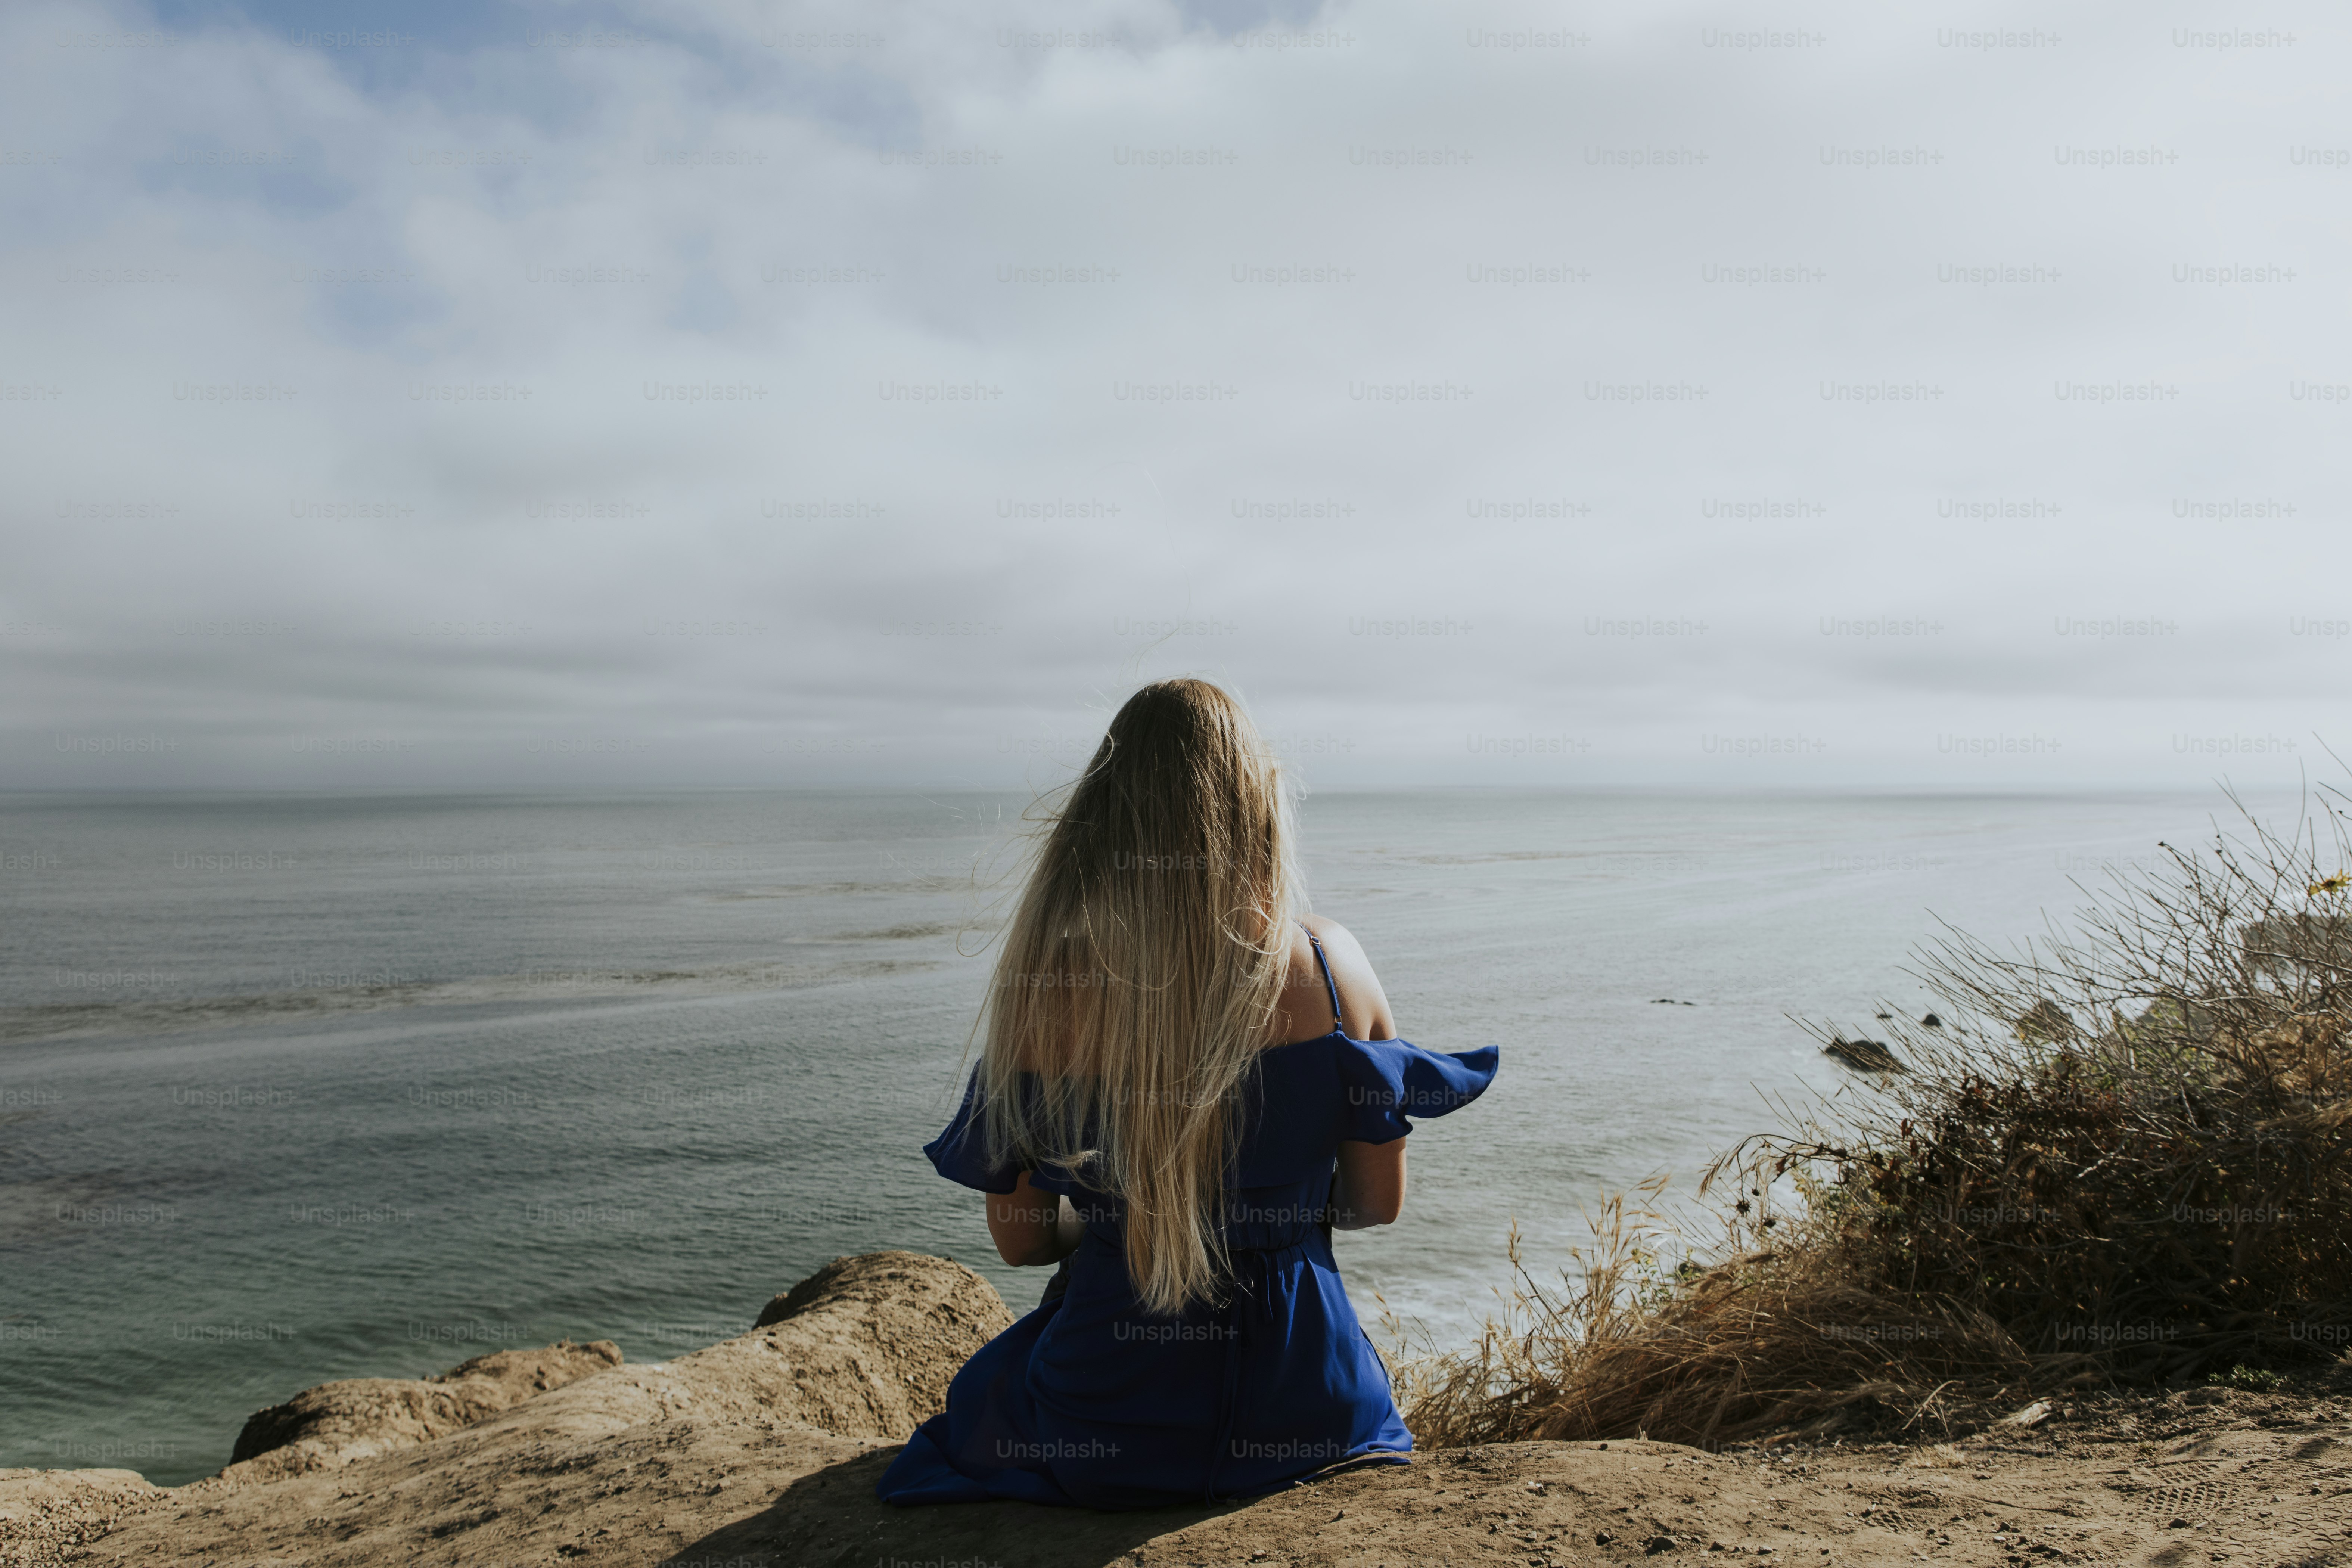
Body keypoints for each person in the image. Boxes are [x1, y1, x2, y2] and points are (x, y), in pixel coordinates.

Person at [876, 678, 1498, 1509]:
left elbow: (1023, 1244)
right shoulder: (1332, 963)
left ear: (1104, 817)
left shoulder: (1048, 983)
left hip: (1104, 1416)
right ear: (1257, 807)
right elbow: (1375, 1205)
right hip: (1309, 1409)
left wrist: (1125, 1219)